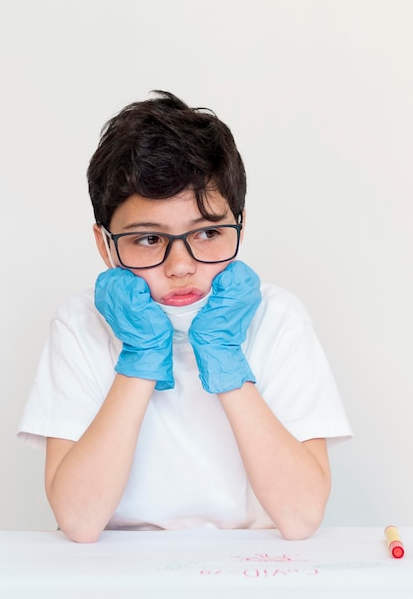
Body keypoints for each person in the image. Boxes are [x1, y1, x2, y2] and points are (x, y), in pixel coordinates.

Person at [17, 91, 352, 543]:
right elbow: (78, 521)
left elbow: (301, 515)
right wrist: (140, 356)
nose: (181, 266)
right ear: (105, 245)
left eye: (209, 233)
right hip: (118, 571)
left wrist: (223, 355)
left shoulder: (279, 318)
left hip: (251, 569)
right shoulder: (80, 323)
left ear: (240, 225)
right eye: (149, 240)